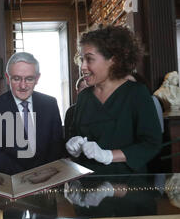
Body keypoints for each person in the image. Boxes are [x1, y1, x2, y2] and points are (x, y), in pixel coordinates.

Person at [66, 25, 162, 174]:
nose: (83, 66)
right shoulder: (84, 97)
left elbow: (151, 144)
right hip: (88, 183)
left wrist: (108, 155)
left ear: (113, 60)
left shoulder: (136, 93)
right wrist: (73, 144)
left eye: (89, 59)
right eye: (81, 59)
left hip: (127, 186)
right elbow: (74, 132)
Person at [0, 52, 64, 175]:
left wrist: (42, 175)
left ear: (37, 78)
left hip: (47, 180)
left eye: (29, 79)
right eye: (16, 78)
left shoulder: (50, 104)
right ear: (7, 77)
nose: (23, 85)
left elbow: (57, 146)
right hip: (12, 182)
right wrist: (24, 178)